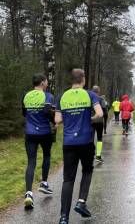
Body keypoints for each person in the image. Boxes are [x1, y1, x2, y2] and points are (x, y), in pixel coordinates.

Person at [55, 69, 103, 224]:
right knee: (87, 171)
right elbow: (100, 114)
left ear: (72, 80)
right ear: (83, 79)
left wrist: (68, 119)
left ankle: (63, 218)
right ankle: (81, 202)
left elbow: (57, 119)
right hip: (86, 141)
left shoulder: (62, 96)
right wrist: (91, 118)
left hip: (69, 142)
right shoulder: (90, 95)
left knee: (68, 180)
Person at [22, 73, 55, 210]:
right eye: (46, 81)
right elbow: (49, 114)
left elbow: (24, 113)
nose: (47, 83)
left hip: (30, 132)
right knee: (46, 155)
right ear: (42, 82)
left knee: (31, 161)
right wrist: (55, 122)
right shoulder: (48, 96)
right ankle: (44, 183)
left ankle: (28, 194)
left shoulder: (26, 95)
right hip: (44, 132)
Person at [91, 86, 104, 163]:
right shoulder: (101, 99)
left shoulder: (89, 98)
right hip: (99, 121)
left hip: (91, 121)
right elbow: (105, 110)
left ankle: (91, 154)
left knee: (90, 138)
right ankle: (98, 156)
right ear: (98, 91)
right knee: (99, 138)